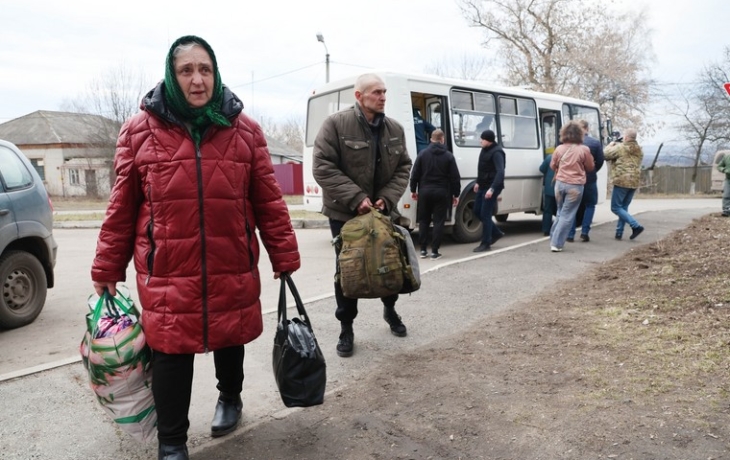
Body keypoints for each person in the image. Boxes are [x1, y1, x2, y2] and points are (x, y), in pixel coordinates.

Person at [90, 35, 301, 460]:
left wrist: (284, 256)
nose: (197, 79)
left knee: (230, 338)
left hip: (230, 259)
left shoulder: (245, 131)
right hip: (167, 266)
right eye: (186, 70)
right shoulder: (138, 132)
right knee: (169, 353)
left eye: (204, 69)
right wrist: (107, 267)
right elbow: (122, 207)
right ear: (172, 75)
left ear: (215, 73)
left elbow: (268, 201)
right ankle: (172, 441)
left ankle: (230, 398)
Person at [312, 73, 412, 358]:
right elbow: (322, 166)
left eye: (384, 92)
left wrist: (387, 198)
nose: (382, 97)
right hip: (344, 213)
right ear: (359, 96)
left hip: (382, 212)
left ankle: (390, 310)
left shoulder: (395, 129)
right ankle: (346, 327)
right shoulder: (335, 125)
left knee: (388, 262)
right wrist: (356, 198)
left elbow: (404, 166)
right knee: (349, 269)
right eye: (376, 92)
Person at [409, 128, 461, 260]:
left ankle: (422, 250)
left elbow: (415, 173)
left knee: (424, 221)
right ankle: (435, 251)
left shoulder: (422, 154)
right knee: (438, 221)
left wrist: (413, 190)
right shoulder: (449, 156)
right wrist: (456, 194)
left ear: (431, 139)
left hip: (424, 192)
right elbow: (455, 177)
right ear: (442, 140)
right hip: (441, 192)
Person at [549, 121, 595, 252]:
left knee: (560, 212)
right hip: (575, 185)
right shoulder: (584, 149)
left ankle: (553, 237)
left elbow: (552, 166)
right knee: (567, 215)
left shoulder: (559, 149)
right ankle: (556, 244)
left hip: (559, 184)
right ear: (580, 134)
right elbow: (590, 167)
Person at [567, 119, 604, 242]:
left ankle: (570, 234)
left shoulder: (569, 143)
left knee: (572, 206)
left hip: (573, 179)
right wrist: (591, 170)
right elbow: (600, 161)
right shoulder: (595, 143)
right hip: (590, 179)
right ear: (587, 129)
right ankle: (584, 232)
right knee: (590, 205)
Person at [604, 128, 645, 240]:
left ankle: (635, 226)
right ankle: (619, 232)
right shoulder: (639, 149)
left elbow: (605, 155)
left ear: (626, 137)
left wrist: (610, 144)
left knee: (615, 208)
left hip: (622, 180)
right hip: (634, 181)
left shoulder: (620, 147)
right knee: (624, 207)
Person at [473, 130, 506, 252]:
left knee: (485, 214)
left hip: (492, 187)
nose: (480, 140)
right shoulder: (484, 150)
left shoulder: (497, 152)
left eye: (482, 139)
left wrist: (492, 189)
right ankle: (496, 233)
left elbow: (500, 172)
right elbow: (482, 168)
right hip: (482, 185)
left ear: (489, 140)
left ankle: (486, 243)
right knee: (477, 210)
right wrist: (477, 181)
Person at [539, 153, 557, 236]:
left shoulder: (550, 157)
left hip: (549, 187)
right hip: (562, 188)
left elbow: (541, 169)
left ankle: (546, 230)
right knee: (561, 210)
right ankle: (559, 229)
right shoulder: (568, 157)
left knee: (547, 210)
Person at [716, 152, 730, 217]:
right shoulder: (726, 157)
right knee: (726, 194)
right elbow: (719, 166)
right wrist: (724, 170)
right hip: (728, 179)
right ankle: (726, 210)